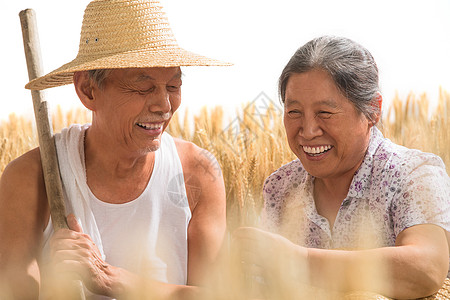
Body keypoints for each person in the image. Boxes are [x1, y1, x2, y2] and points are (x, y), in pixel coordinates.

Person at [0, 0, 228, 299]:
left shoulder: (198, 174)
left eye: (173, 86)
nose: (164, 105)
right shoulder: (32, 178)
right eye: (144, 88)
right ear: (88, 90)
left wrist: (113, 280)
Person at [234, 36, 450, 299]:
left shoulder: (414, 173)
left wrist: (296, 260)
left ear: (373, 110)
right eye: (294, 112)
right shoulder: (280, 186)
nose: (309, 131)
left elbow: (426, 269)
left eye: (325, 113)